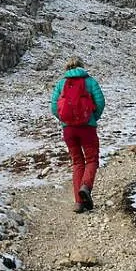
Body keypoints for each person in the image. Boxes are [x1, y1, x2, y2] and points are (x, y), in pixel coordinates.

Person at [49, 56, 106, 213]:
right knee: (92, 159)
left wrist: (64, 120)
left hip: (69, 130)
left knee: (77, 162)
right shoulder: (90, 81)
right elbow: (100, 102)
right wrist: (92, 118)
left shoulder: (61, 83)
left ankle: (79, 203)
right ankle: (85, 186)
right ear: (82, 67)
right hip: (87, 127)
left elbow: (54, 106)